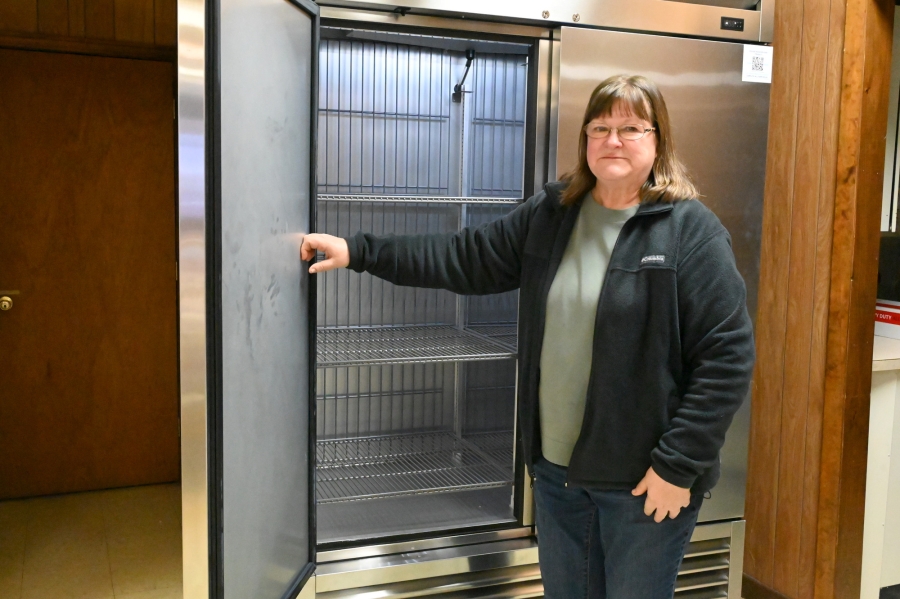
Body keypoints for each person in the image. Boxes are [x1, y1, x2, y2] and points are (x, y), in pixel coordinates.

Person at [301, 74, 755, 599]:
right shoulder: (554, 214)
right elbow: (464, 257)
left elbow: (727, 358)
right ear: (585, 139)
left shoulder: (690, 232)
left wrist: (677, 466)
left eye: (631, 128)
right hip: (558, 476)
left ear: (658, 141)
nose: (613, 140)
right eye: (600, 127)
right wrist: (360, 251)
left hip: (644, 484)